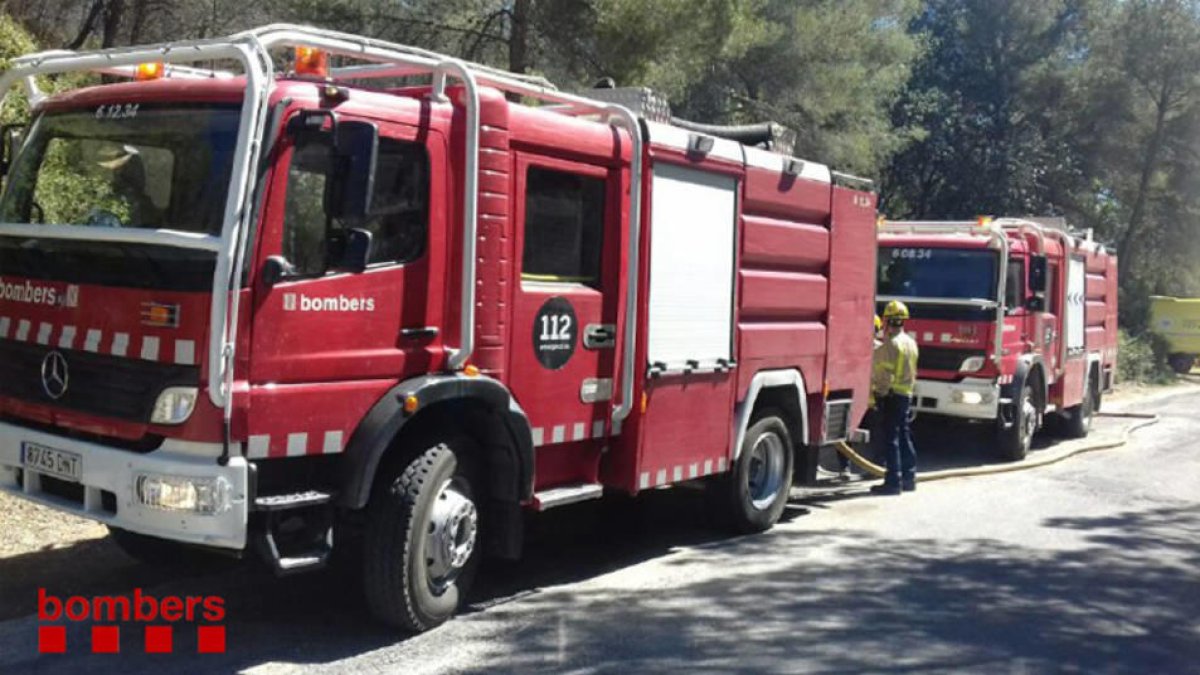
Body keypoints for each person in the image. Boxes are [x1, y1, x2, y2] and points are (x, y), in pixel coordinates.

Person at [870, 301, 919, 495]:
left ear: (887, 321)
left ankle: (892, 482)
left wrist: (878, 393)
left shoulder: (891, 345)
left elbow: (884, 374)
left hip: (891, 395)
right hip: (905, 394)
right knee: (904, 436)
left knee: (891, 439)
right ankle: (909, 477)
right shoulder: (911, 342)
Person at [838, 315, 885, 480]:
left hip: (863, 401)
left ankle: (848, 468)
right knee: (850, 435)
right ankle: (876, 467)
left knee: (848, 434)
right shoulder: (880, 349)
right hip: (871, 401)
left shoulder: (855, 349)